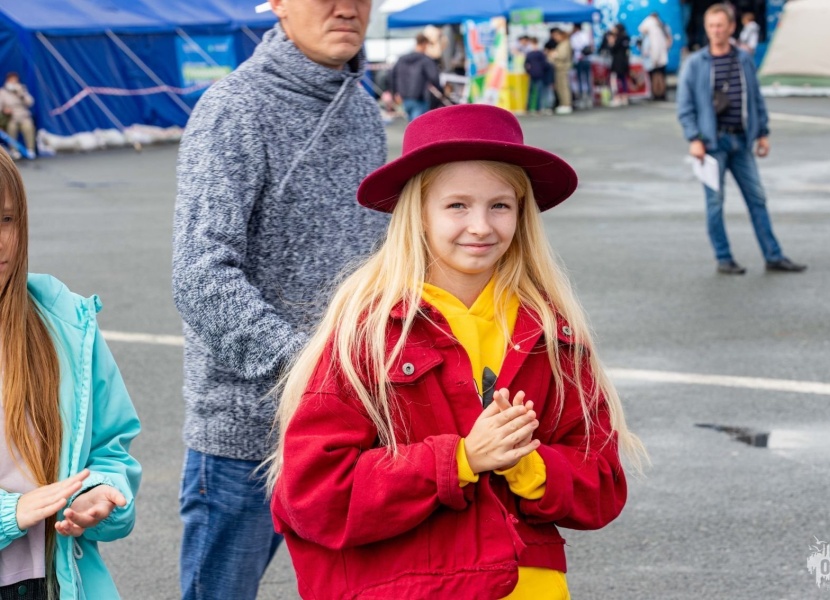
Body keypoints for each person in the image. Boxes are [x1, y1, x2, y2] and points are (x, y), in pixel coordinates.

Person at [268, 103, 646, 600]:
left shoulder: (554, 334)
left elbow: (602, 485)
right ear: (419, 215)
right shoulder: (367, 332)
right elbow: (313, 495)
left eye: (500, 205)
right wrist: (462, 458)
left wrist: (528, 465)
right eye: (457, 206)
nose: (481, 226)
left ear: (522, 215)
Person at [171, 0, 387, 598]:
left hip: (353, 424)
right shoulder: (234, 108)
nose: (347, 8)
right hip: (247, 432)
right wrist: (313, 371)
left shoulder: (364, 112)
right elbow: (200, 275)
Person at [0, 149, 141, 599]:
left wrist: (98, 493)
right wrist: (9, 514)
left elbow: (110, 449)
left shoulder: (64, 325)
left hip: (55, 581)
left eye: (7, 219)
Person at [677, 4, 806, 274]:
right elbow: (685, 107)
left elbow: (755, 98)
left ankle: (773, 255)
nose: (715, 31)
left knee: (757, 199)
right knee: (715, 203)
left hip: (742, 141)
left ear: (731, 27)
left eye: (720, 26)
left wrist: (763, 133)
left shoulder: (744, 59)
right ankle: (724, 258)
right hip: (712, 145)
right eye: (711, 26)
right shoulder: (695, 63)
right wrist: (694, 138)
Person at [392, 33, 442, 121]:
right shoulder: (426, 60)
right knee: (419, 125)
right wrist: (441, 91)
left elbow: (392, 76)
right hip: (419, 98)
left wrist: (395, 92)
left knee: (411, 124)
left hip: (404, 97)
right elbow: (434, 77)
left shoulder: (402, 59)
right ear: (424, 44)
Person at [0, 74, 36, 160]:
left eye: (15, 80)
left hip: (23, 116)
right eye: (11, 80)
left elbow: (30, 102)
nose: (13, 82)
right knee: (11, 128)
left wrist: (21, 94)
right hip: (11, 117)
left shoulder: (22, 90)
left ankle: (30, 150)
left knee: (28, 127)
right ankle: (14, 150)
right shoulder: (2, 92)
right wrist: (5, 110)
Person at [639, 13, 670, 100]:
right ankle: (660, 94)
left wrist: (655, 59)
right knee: (660, 76)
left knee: (657, 76)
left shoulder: (654, 31)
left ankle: (658, 94)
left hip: (656, 59)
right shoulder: (659, 28)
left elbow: (655, 47)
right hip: (660, 58)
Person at [602, 25, 631, 107]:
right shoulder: (626, 38)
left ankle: (617, 97)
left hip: (617, 62)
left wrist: (611, 42)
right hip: (624, 61)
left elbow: (612, 49)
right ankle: (624, 97)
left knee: (615, 79)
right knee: (623, 79)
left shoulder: (619, 38)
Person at [549, 28, 574, 114]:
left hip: (563, 68)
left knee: (564, 87)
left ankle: (566, 104)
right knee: (560, 87)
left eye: (556, 36)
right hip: (558, 68)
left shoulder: (565, 43)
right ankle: (563, 104)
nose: (555, 38)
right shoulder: (561, 44)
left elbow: (562, 55)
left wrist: (554, 54)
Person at [569, 24, 594, 107]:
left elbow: (573, 47)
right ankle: (589, 97)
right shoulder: (585, 35)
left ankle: (582, 97)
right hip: (586, 58)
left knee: (580, 79)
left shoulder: (574, 37)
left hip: (579, 59)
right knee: (587, 78)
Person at [524, 37, 550, 114]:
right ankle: (538, 108)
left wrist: (529, 71)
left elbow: (525, 65)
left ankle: (529, 108)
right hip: (539, 74)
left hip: (532, 74)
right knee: (539, 92)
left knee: (531, 92)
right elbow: (545, 65)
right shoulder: (540, 54)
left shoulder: (529, 54)